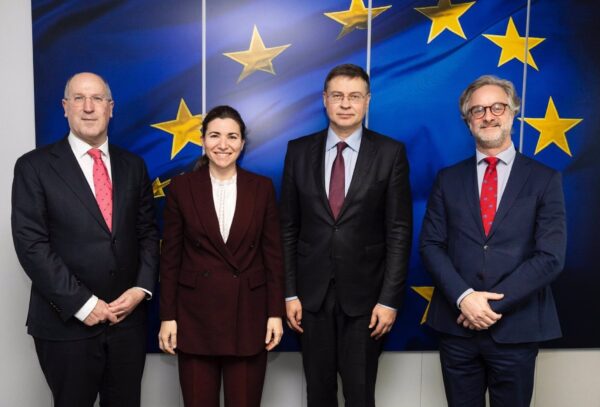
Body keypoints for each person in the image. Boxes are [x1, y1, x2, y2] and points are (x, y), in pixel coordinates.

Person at [11, 72, 159, 407]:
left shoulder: (133, 166)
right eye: (79, 98)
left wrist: (141, 288)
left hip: (126, 324)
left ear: (111, 108)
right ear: (65, 107)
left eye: (97, 99)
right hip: (66, 325)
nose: (88, 107)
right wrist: (83, 303)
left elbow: (148, 233)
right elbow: (31, 244)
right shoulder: (33, 167)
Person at [420, 75, 567, 407]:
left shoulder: (545, 179)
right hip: (457, 328)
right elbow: (430, 245)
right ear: (468, 121)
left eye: (497, 107)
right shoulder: (447, 179)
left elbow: (550, 257)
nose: (488, 116)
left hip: (516, 328)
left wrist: (486, 307)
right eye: (478, 110)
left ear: (513, 112)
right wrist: (464, 299)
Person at [280, 63, 412, 407]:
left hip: (367, 300)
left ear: (367, 101)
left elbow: (399, 231)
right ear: (325, 99)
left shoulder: (390, 153)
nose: (345, 104)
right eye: (337, 95)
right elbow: (288, 227)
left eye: (354, 96)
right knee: (318, 394)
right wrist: (290, 293)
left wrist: (389, 300)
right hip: (310, 299)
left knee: (360, 393)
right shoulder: (297, 151)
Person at [158, 105, 285, 407]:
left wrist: (275, 313)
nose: (223, 144)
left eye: (232, 136)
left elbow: (273, 256)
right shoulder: (182, 188)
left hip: (249, 316)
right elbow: (170, 259)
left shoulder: (262, 188)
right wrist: (167, 317)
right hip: (194, 318)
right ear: (202, 140)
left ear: (242, 143)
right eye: (215, 135)